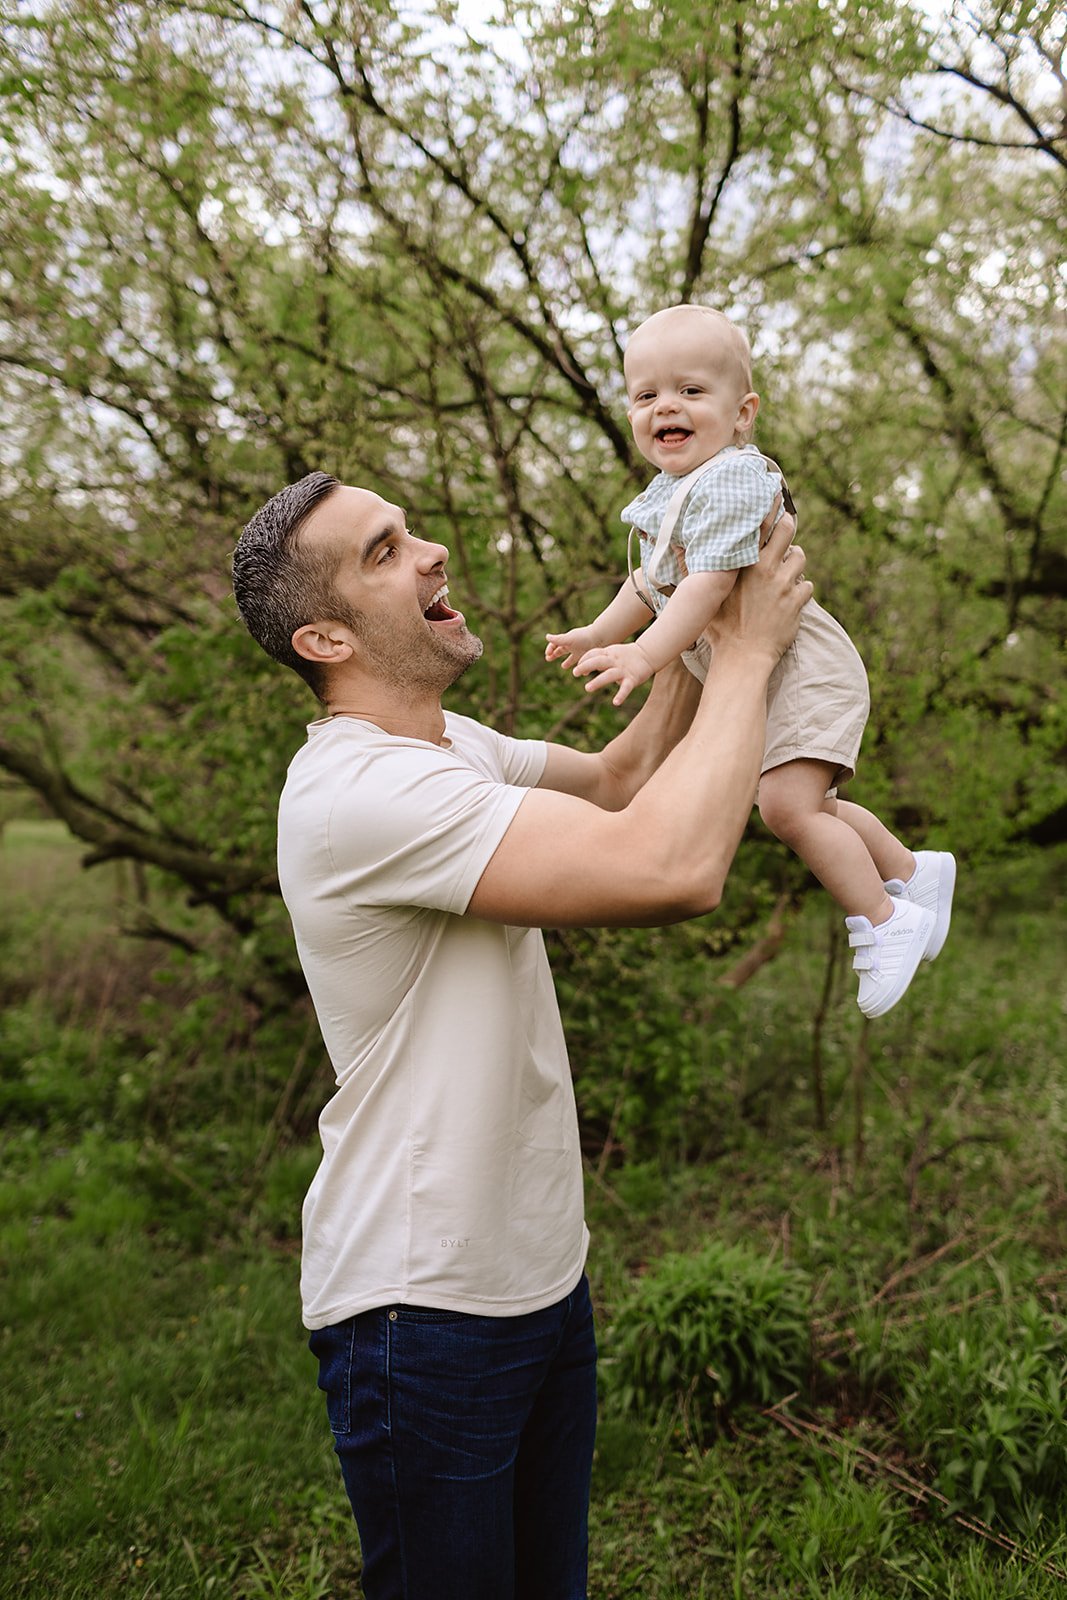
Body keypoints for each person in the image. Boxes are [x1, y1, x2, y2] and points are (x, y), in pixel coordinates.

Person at [231, 469, 808, 1600]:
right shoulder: (359, 795)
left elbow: (620, 777)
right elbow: (670, 865)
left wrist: (700, 610)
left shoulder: (449, 747)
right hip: (420, 1309)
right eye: (386, 551)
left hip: (538, 1276)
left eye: (410, 531)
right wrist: (743, 657)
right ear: (326, 636)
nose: (433, 551)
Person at [545, 304, 955, 1018]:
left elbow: (705, 585)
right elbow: (646, 582)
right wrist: (597, 630)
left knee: (786, 810)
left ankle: (887, 921)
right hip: (768, 669)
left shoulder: (732, 479)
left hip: (802, 665)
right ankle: (910, 871)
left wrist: (644, 652)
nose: (664, 406)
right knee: (810, 806)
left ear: (742, 413)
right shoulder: (672, 493)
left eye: (690, 391)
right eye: (645, 395)